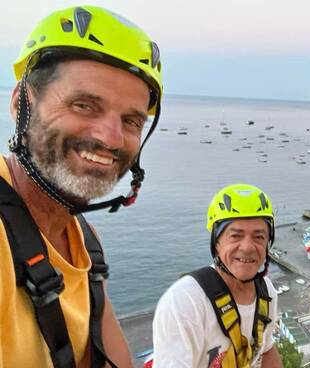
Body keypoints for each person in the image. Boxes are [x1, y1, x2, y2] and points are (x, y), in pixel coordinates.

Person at [0, 5, 163, 368]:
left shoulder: (85, 241)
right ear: (20, 102)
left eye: (131, 120)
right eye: (84, 105)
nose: (111, 137)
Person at [152, 184, 283, 368]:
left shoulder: (266, 291)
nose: (247, 247)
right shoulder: (185, 301)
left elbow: (267, 349)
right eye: (235, 236)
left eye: (259, 237)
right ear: (217, 242)